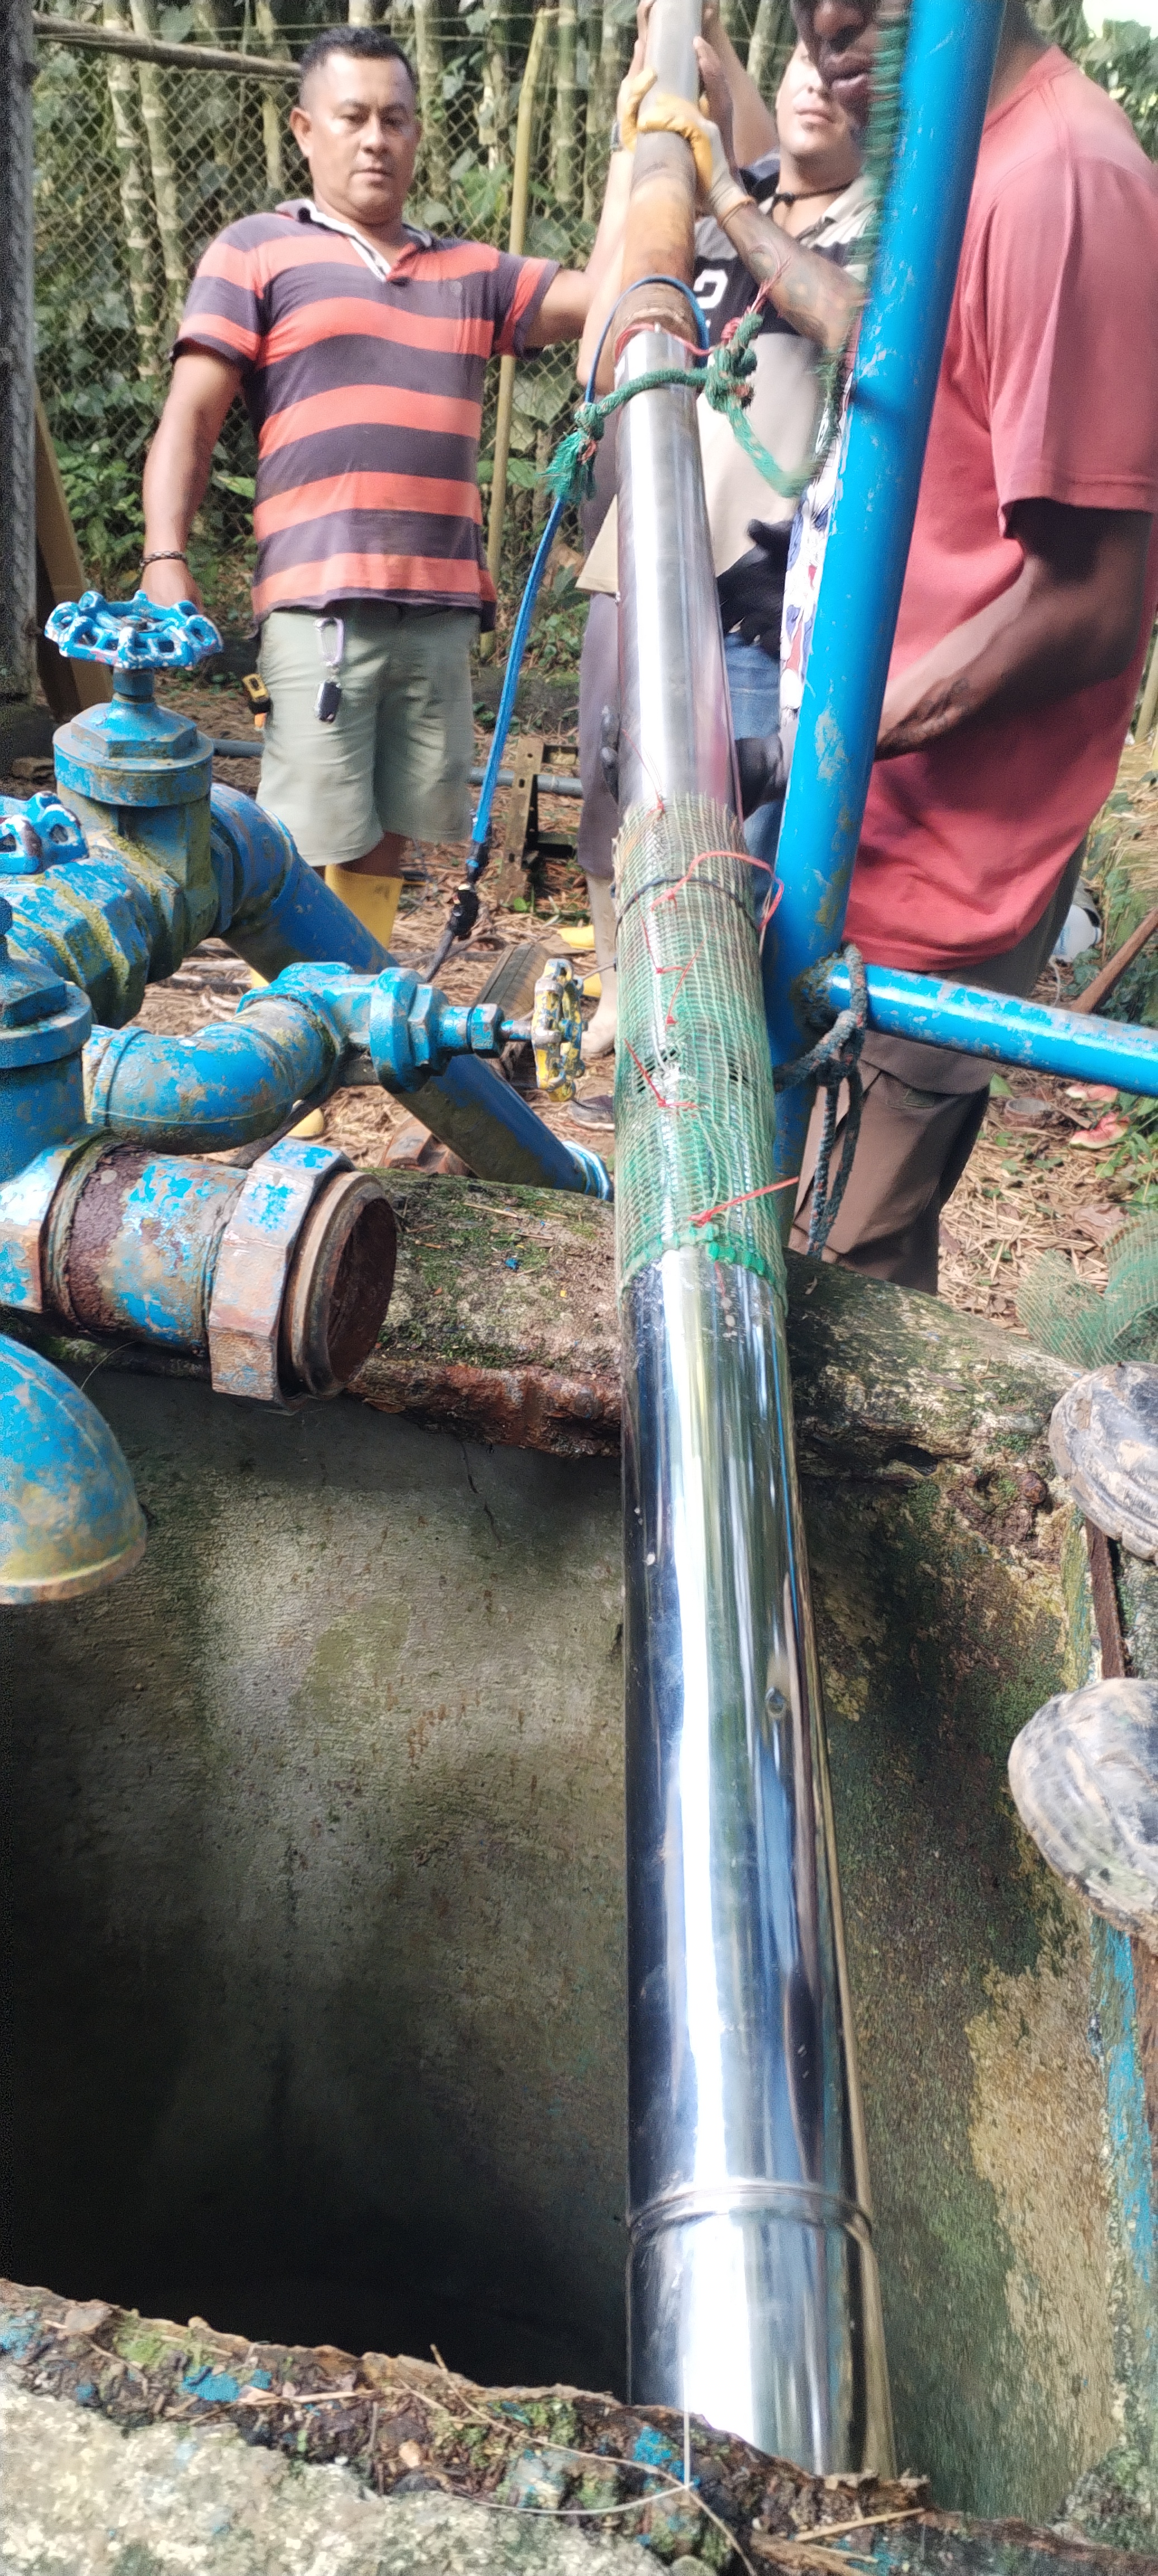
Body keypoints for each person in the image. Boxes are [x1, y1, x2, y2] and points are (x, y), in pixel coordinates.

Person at [739, 0, 1158, 1290]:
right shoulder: (944, 162)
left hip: (941, 861)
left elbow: (1092, 600)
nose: (827, 26)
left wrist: (827, 746)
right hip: (855, 823)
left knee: (838, 1283)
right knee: (767, 1217)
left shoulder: (1060, 183)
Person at [140, 26, 616, 952]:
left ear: (416, 134)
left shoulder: (471, 272)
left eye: (394, 120)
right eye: (352, 117)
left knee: (390, 829)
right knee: (304, 829)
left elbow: (605, 297)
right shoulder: (257, 250)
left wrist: (644, 144)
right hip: (320, 595)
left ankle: (353, 1000)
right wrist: (166, 555)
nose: (375, 139)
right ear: (304, 130)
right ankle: (295, 1009)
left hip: (438, 602)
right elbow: (190, 418)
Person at [572, 26, 867, 1060]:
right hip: (641, 559)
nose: (814, 84)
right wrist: (637, 160)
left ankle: (706, 1033)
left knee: (727, 829)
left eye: (837, 65)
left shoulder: (875, 225)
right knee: (609, 793)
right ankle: (627, 1000)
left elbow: (853, 326)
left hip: (759, 591)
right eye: (799, 62)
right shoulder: (699, 209)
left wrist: (729, 185)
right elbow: (596, 355)